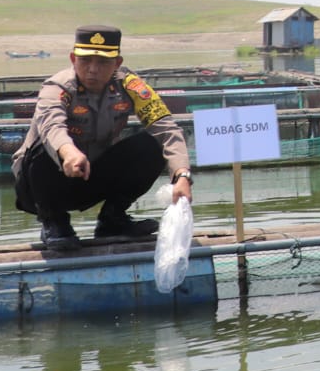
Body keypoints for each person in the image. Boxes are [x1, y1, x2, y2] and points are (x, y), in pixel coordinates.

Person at [10, 25, 193, 252]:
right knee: (41, 149)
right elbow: (52, 128)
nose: (93, 70)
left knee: (151, 145)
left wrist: (182, 176)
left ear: (117, 63)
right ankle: (53, 221)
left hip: (90, 175)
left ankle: (112, 219)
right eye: (85, 61)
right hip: (41, 184)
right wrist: (69, 152)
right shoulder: (56, 87)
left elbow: (167, 129)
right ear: (73, 59)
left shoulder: (130, 85)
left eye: (103, 62)